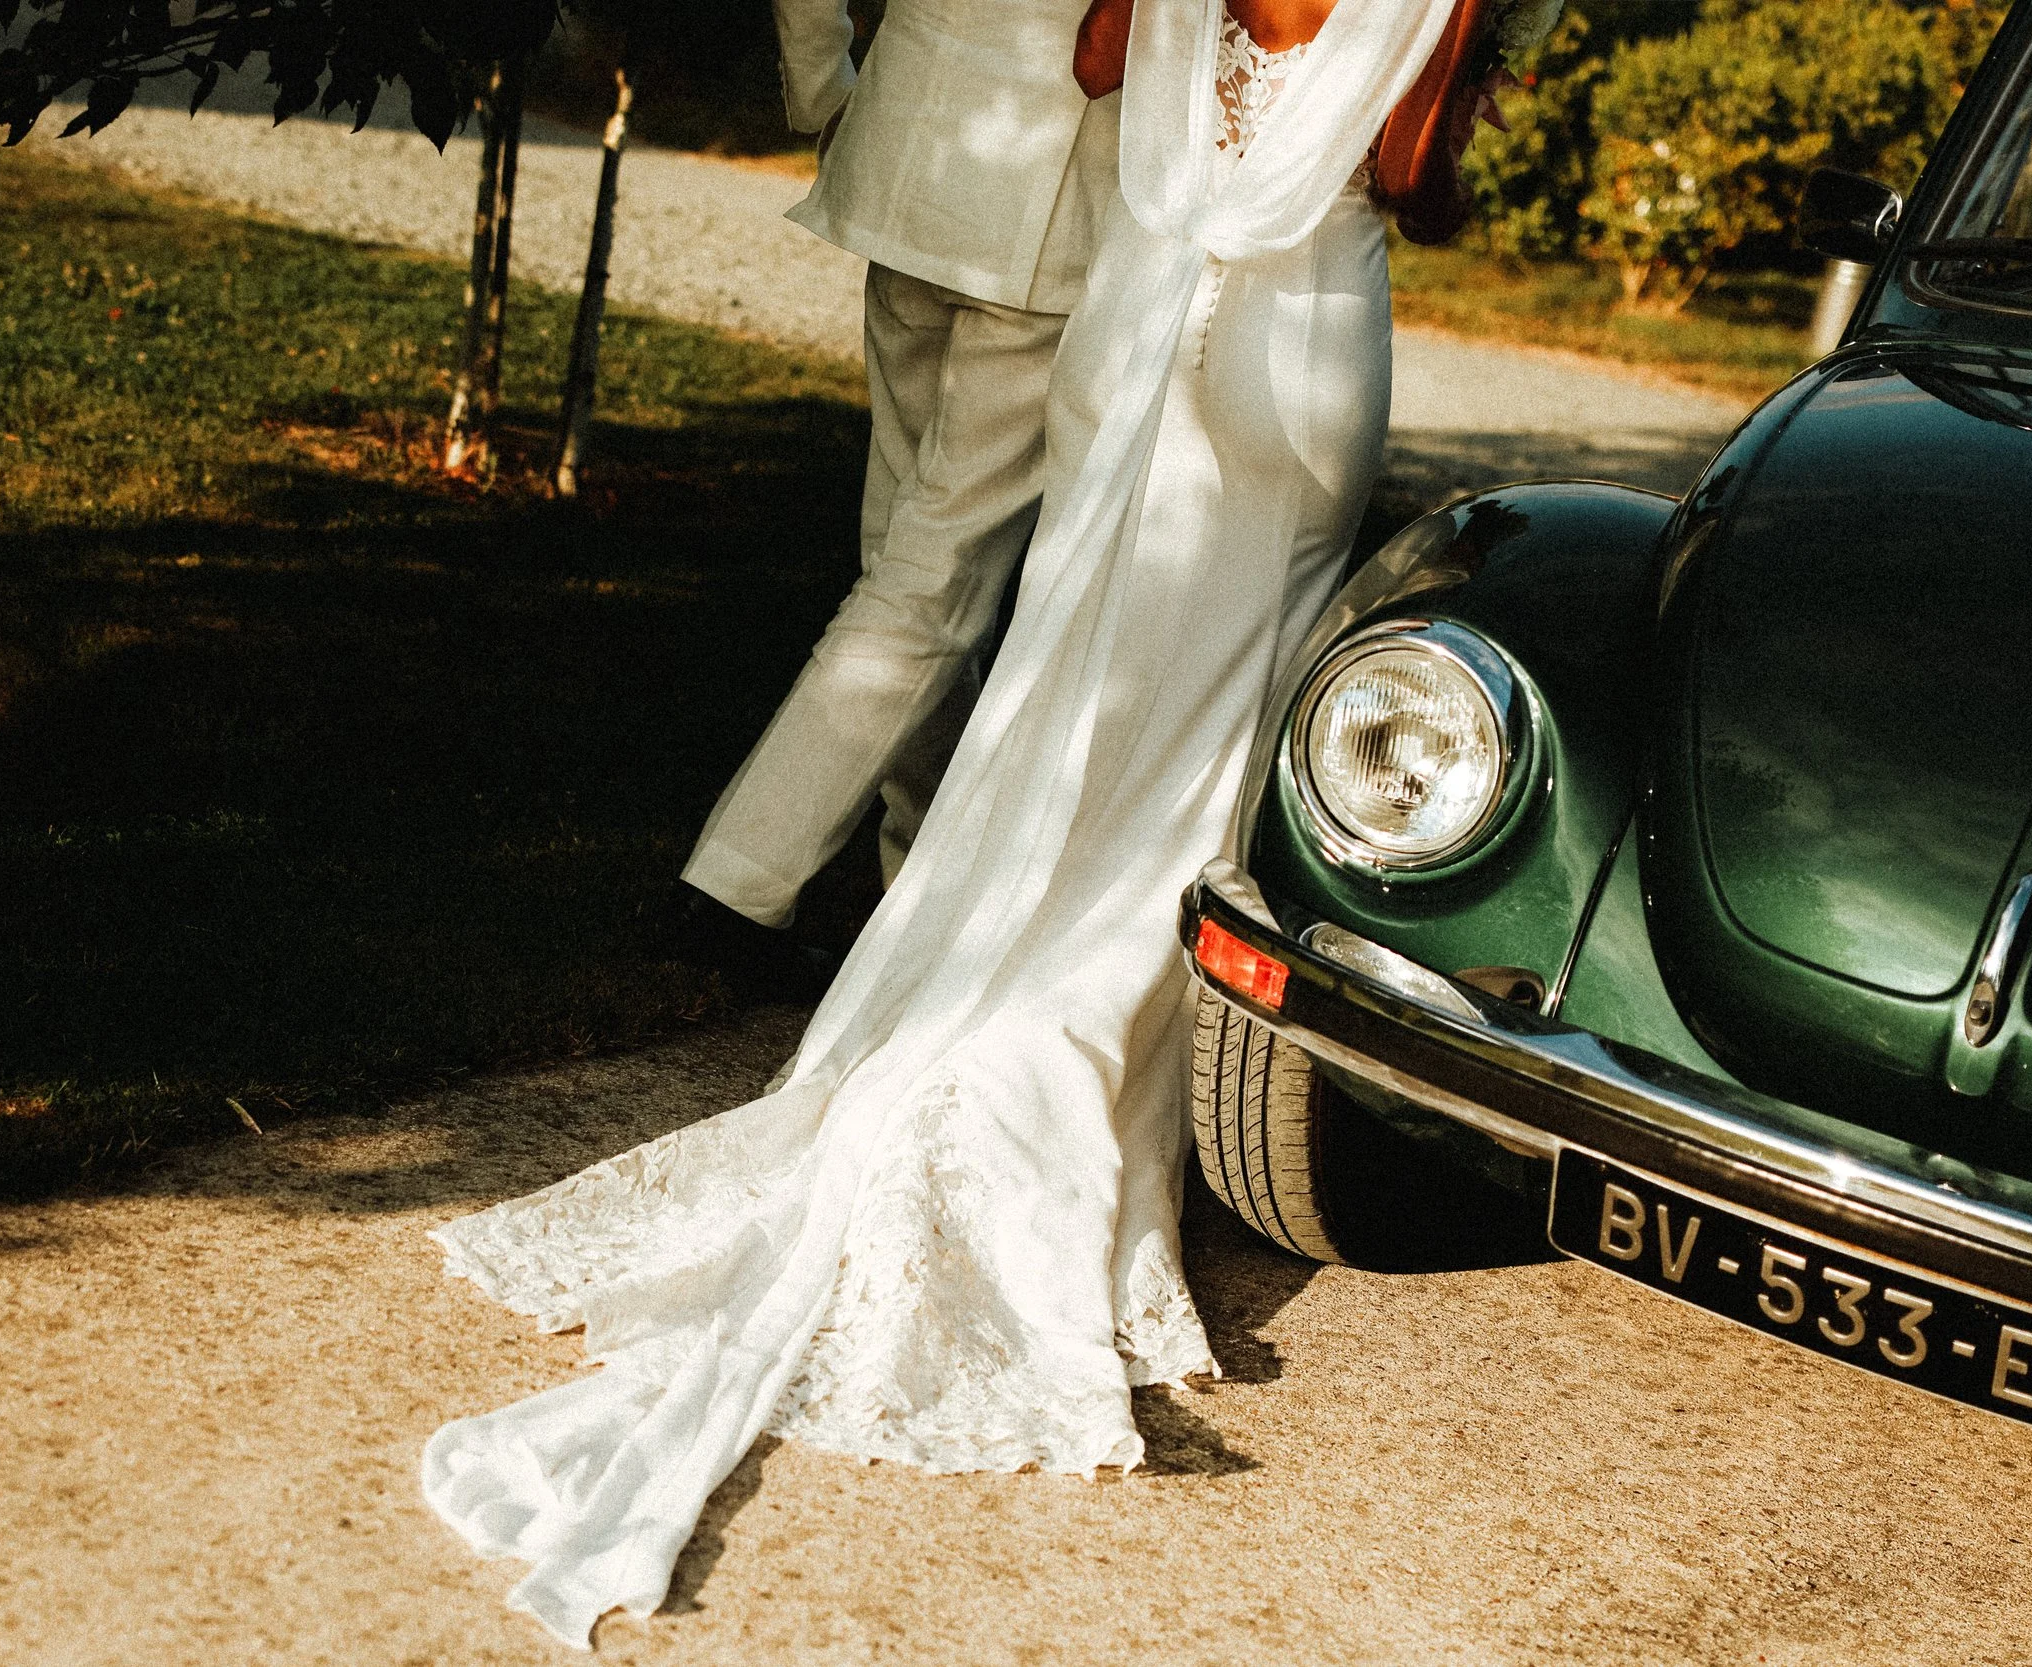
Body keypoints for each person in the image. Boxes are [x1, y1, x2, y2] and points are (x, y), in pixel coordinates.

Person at [424, 0, 1523, 1647]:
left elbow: (1093, 62)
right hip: (1289, 344)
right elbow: (1413, 174)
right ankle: (1057, 1048)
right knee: (1197, 727)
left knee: (1058, 691)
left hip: (1132, 317)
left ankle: (962, 970)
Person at [674, 0, 1122, 996]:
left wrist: (826, 90)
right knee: (932, 583)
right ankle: (738, 885)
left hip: (914, 163)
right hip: (1044, 219)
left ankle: (919, 885)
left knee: (899, 561)